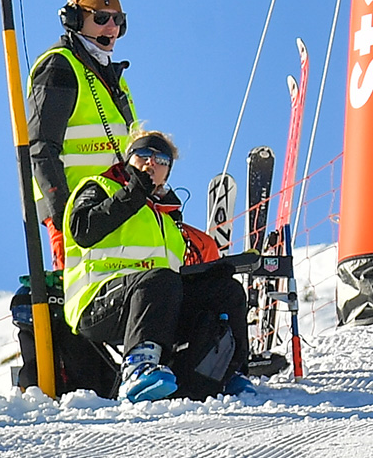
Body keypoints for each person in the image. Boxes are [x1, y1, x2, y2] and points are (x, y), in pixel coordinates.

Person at [63, 130, 252, 403]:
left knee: (226, 290)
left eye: (161, 159)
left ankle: (230, 371)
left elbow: (170, 275)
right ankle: (138, 368)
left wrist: (206, 277)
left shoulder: (167, 216)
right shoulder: (100, 188)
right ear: (130, 159)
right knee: (158, 280)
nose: (152, 163)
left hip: (153, 301)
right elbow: (83, 230)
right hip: (98, 302)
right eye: (144, 155)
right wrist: (133, 193)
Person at [28, 0, 140, 265]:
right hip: (78, 215)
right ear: (75, 20)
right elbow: (41, 147)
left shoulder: (115, 78)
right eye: (101, 19)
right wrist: (62, 217)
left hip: (118, 209)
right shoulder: (59, 68)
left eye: (118, 20)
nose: (111, 28)